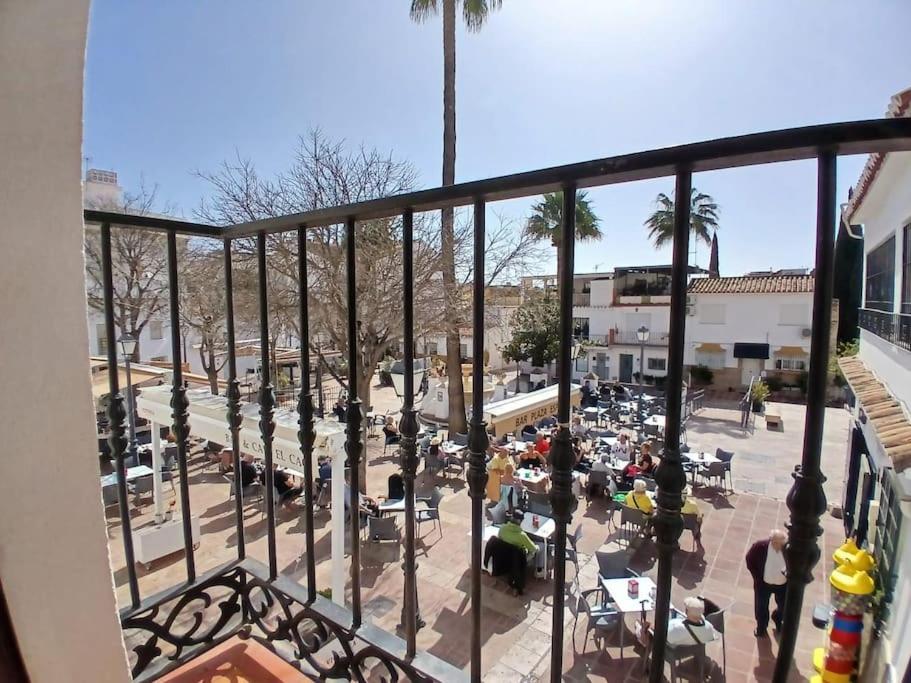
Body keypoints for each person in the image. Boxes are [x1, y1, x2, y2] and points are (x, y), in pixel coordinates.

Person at [745, 529, 788, 636]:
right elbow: (749, 559)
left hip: (782, 585)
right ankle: (761, 627)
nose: (779, 546)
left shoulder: (788, 550)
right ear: (771, 540)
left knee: (784, 607)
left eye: (781, 543)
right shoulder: (760, 546)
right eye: (776, 543)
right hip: (763, 584)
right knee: (761, 607)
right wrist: (757, 577)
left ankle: (777, 618)